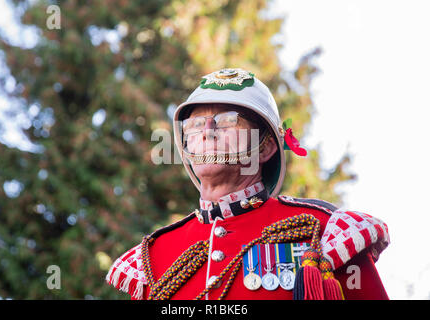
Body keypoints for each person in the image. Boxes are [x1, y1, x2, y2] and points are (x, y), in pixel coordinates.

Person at [105, 68, 390, 300]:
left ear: (265, 148)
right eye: (194, 125)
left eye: (227, 121)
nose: (207, 132)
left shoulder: (325, 231)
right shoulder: (153, 256)